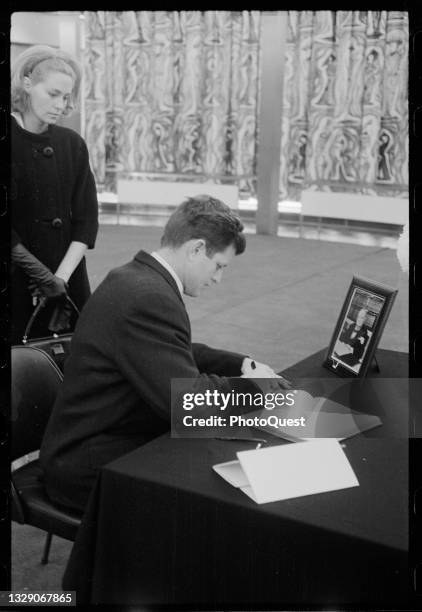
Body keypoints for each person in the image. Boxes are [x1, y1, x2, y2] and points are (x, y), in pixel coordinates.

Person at [40, 195, 286, 513]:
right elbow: (187, 405)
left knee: (217, 449)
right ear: (196, 249)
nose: (217, 279)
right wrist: (255, 388)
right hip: (86, 464)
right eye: (218, 266)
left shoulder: (135, 277)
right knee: (222, 483)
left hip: (96, 440)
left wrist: (238, 364)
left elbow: (168, 349)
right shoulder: (148, 297)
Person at [11, 45, 99, 343]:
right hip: (17, 276)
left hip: (67, 277)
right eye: (52, 94)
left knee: (72, 363)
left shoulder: (72, 144)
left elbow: (86, 220)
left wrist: (59, 277)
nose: (60, 105)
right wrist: (40, 275)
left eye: (66, 97)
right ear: (26, 84)